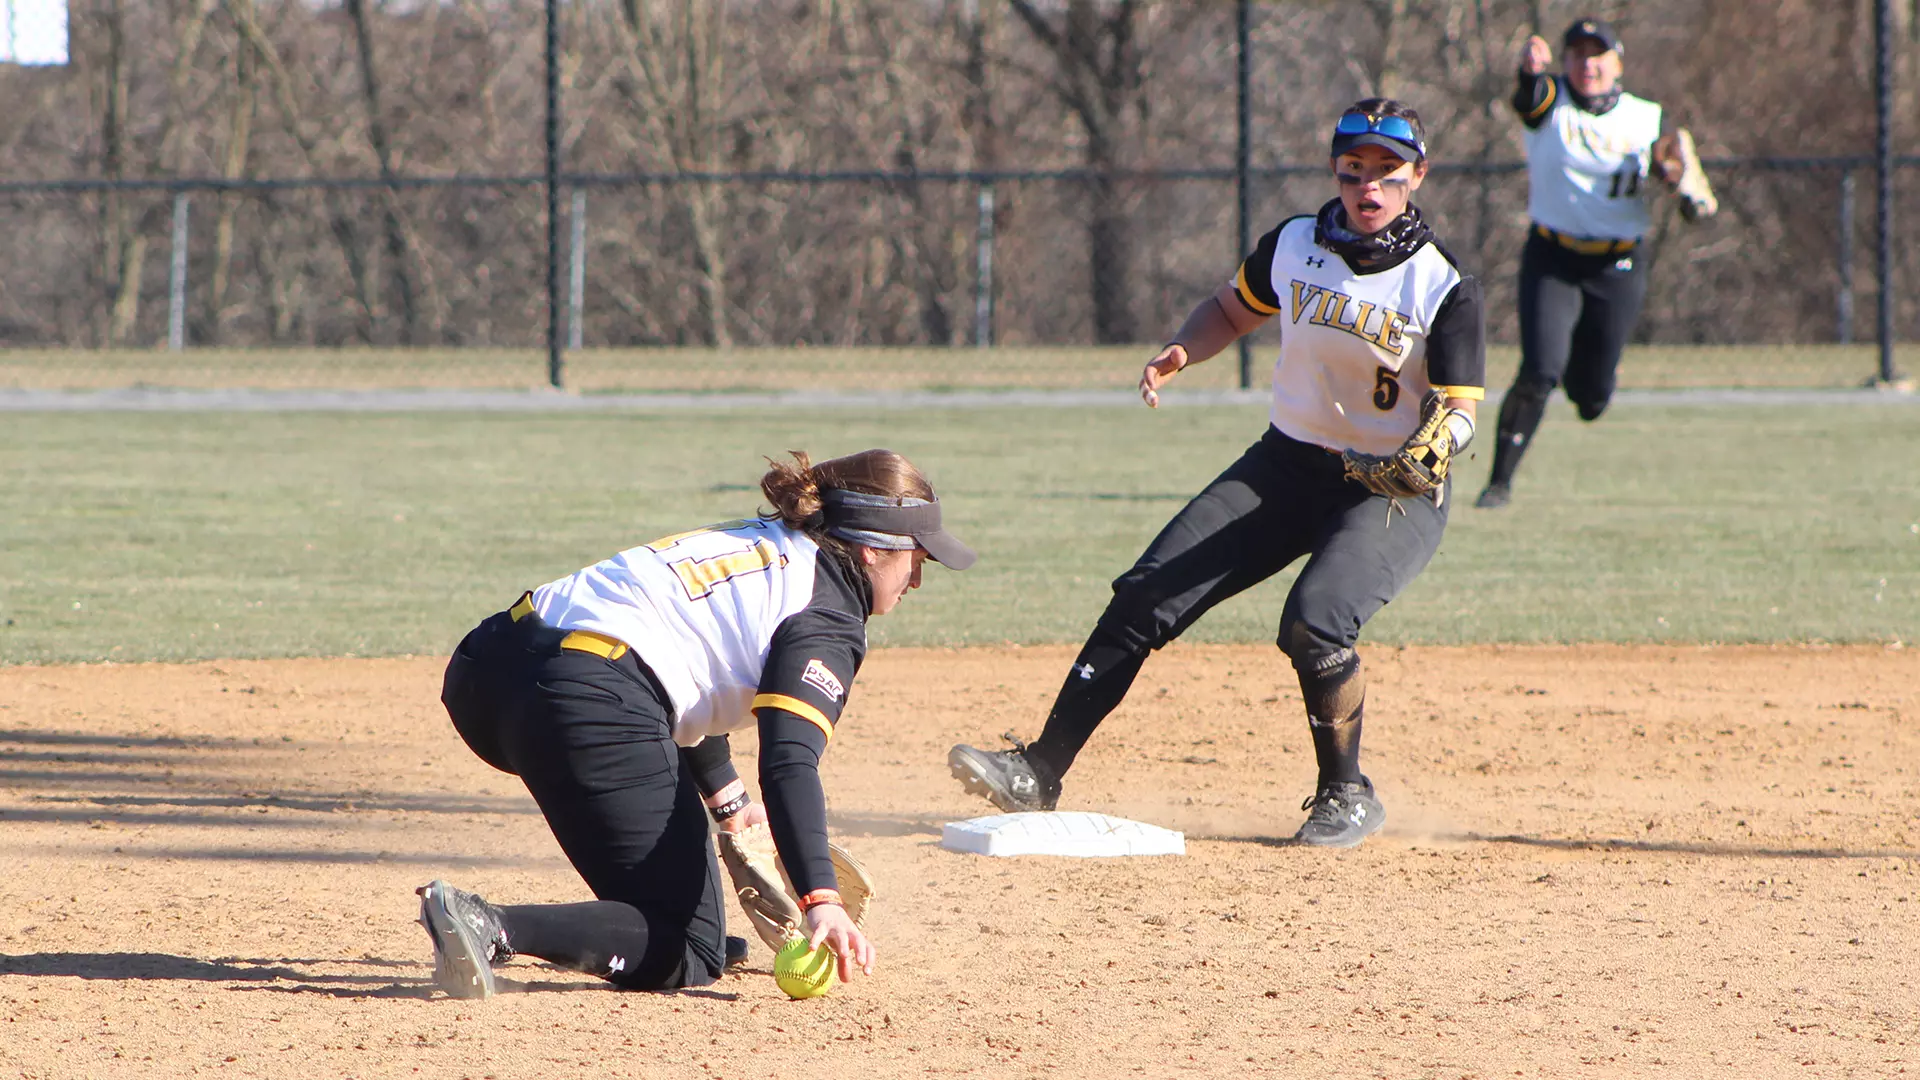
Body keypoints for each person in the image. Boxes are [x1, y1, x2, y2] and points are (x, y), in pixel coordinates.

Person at [948, 99, 1485, 848]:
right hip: (1288, 464)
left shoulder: (1440, 284)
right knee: (1146, 592)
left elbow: (1461, 405)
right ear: (1335, 170)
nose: (1370, 186)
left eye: (1389, 171)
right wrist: (1181, 350)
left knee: (1315, 620)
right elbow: (1233, 310)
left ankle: (1347, 793)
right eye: (1354, 168)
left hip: (1392, 492)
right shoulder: (1296, 245)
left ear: (1418, 175)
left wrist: (1443, 441)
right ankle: (1038, 771)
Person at [418, 449, 974, 998]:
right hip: (580, 704)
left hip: (485, 673)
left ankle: (666, 920)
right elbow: (788, 762)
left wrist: (729, 803)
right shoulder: (826, 614)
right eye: (918, 560)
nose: (918, 581)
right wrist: (820, 899)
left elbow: (681, 657)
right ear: (873, 550)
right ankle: (491, 925)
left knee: (673, 917)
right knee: (690, 948)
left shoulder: (759, 540)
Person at [1476, 17, 1716, 509]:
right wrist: (1526, 74)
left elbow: (1690, 186)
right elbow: (1527, 100)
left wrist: (1682, 187)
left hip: (1617, 262)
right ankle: (1498, 484)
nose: (1588, 64)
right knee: (1541, 369)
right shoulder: (1551, 102)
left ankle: (1594, 379)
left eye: (1597, 54)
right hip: (1553, 256)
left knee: (1590, 398)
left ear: (1617, 62)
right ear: (1565, 62)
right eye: (1578, 54)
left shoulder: (1647, 118)